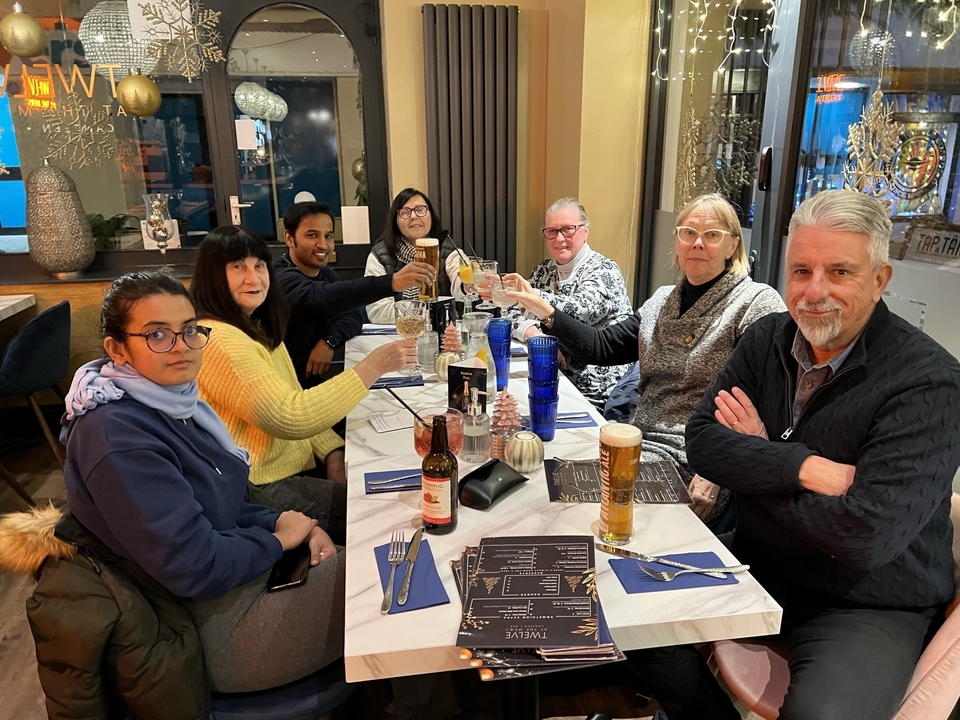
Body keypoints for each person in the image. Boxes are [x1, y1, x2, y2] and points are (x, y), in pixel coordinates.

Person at [635, 190, 960, 720]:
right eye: (801, 270)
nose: (814, 292)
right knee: (639, 623)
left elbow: (864, 537)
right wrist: (798, 467)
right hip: (762, 562)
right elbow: (704, 442)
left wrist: (757, 459)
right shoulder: (767, 338)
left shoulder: (930, 384)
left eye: (839, 273)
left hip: (864, 599)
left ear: (880, 280)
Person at [56, 271, 343, 694]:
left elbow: (218, 503)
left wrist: (287, 521)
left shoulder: (170, 402)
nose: (181, 347)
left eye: (189, 330)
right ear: (118, 349)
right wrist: (280, 541)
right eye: (157, 335)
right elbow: (195, 566)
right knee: (391, 580)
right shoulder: (118, 436)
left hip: (237, 584)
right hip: (211, 633)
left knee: (390, 558)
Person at [507, 193, 785, 526]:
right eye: (688, 232)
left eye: (712, 235)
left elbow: (765, 397)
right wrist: (545, 310)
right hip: (636, 443)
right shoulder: (662, 301)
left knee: (569, 515)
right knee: (541, 480)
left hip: (695, 459)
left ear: (732, 245)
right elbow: (602, 347)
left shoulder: (755, 302)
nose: (697, 243)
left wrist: (718, 471)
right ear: (678, 243)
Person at [192, 226, 417, 522]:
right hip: (259, 487)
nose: (253, 277)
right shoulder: (220, 340)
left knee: (396, 485)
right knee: (386, 510)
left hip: (293, 464)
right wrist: (375, 365)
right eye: (238, 267)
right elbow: (290, 416)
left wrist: (332, 451)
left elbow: (293, 396)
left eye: (259, 265)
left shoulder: (253, 327)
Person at [275, 201, 436, 387]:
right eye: (312, 235)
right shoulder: (280, 278)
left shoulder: (324, 273)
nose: (323, 244)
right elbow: (320, 298)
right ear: (289, 238)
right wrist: (392, 282)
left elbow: (351, 314)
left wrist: (328, 341)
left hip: (312, 383)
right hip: (283, 391)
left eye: (328, 236)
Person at [504, 197, 635, 409]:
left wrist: (530, 299)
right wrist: (534, 334)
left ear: (586, 231)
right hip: (552, 376)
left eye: (568, 229)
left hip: (595, 389)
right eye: (552, 231)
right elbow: (508, 311)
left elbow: (579, 311)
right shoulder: (543, 270)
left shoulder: (604, 270)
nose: (559, 239)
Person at [364, 187, 462, 324]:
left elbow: (462, 283)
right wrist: (431, 312)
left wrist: (468, 286)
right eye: (405, 212)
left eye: (420, 210)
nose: (414, 216)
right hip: (397, 336)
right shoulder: (381, 255)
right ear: (395, 220)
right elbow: (378, 312)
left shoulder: (447, 248)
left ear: (431, 216)